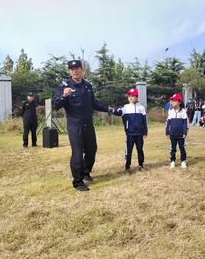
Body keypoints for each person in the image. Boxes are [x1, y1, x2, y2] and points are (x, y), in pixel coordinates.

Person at [53, 59, 109, 191]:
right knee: (77, 153)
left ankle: (85, 172)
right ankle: (77, 182)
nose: (75, 71)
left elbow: (94, 104)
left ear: (82, 69)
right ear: (69, 71)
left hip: (88, 125)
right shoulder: (64, 86)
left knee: (91, 151)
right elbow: (56, 105)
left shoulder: (88, 86)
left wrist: (110, 109)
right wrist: (63, 96)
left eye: (77, 68)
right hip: (74, 125)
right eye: (72, 69)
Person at [109, 88, 148, 172]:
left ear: (137, 97)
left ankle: (141, 165)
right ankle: (127, 167)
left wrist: (145, 132)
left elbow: (144, 121)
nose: (130, 97)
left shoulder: (141, 108)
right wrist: (111, 110)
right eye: (129, 96)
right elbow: (118, 112)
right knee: (128, 151)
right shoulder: (125, 108)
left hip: (139, 134)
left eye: (133, 96)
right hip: (129, 134)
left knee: (140, 150)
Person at [166, 93, 189, 168]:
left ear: (179, 102)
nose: (172, 102)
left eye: (174, 101)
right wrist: (167, 132)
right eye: (171, 100)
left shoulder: (183, 111)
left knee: (182, 147)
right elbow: (168, 123)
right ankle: (172, 161)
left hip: (180, 134)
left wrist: (185, 132)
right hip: (172, 133)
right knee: (172, 148)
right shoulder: (170, 111)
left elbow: (185, 123)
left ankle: (183, 161)